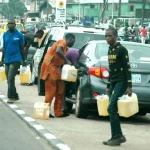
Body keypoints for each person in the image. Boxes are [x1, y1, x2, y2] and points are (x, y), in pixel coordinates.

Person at [103, 27, 132, 146]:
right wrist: (109, 85)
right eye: (106, 36)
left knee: (110, 108)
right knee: (112, 109)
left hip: (121, 81)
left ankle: (118, 135)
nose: (107, 38)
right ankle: (115, 136)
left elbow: (127, 68)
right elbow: (111, 69)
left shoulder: (122, 50)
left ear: (116, 36)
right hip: (114, 81)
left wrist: (129, 86)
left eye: (110, 36)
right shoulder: (110, 50)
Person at [40, 33, 75, 117]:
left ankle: (58, 112)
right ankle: (46, 111)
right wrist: (67, 60)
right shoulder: (62, 42)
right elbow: (58, 51)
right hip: (50, 68)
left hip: (56, 69)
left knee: (60, 90)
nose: (73, 43)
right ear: (69, 39)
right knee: (51, 91)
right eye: (73, 41)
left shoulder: (66, 48)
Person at [0, 19, 25, 103]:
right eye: (9, 24)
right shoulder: (5, 35)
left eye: (12, 24)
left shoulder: (20, 35)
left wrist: (24, 60)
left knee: (11, 78)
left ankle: (11, 97)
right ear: (8, 25)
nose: (11, 25)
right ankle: (15, 95)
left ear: (15, 25)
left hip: (16, 59)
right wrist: (2, 59)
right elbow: (4, 47)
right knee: (9, 79)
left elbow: (22, 49)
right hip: (7, 59)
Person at [63, 48, 80, 114]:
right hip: (66, 73)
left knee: (66, 91)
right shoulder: (75, 53)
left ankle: (67, 108)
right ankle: (65, 108)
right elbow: (75, 66)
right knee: (65, 90)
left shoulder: (73, 51)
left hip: (65, 72)